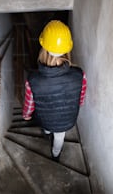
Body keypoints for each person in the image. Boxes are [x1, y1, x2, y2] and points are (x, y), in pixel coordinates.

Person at [22, 20, 87, 162]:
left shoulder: (33, 80)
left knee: (47, 127)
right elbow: (80, 100)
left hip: (45, 119)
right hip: (66, 120)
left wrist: (26, 115)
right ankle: (55, 155)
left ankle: (46, 134)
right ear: (67, 48)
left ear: (43, 48)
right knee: (59, 138)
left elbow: (29, 105)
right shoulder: (79, 74)